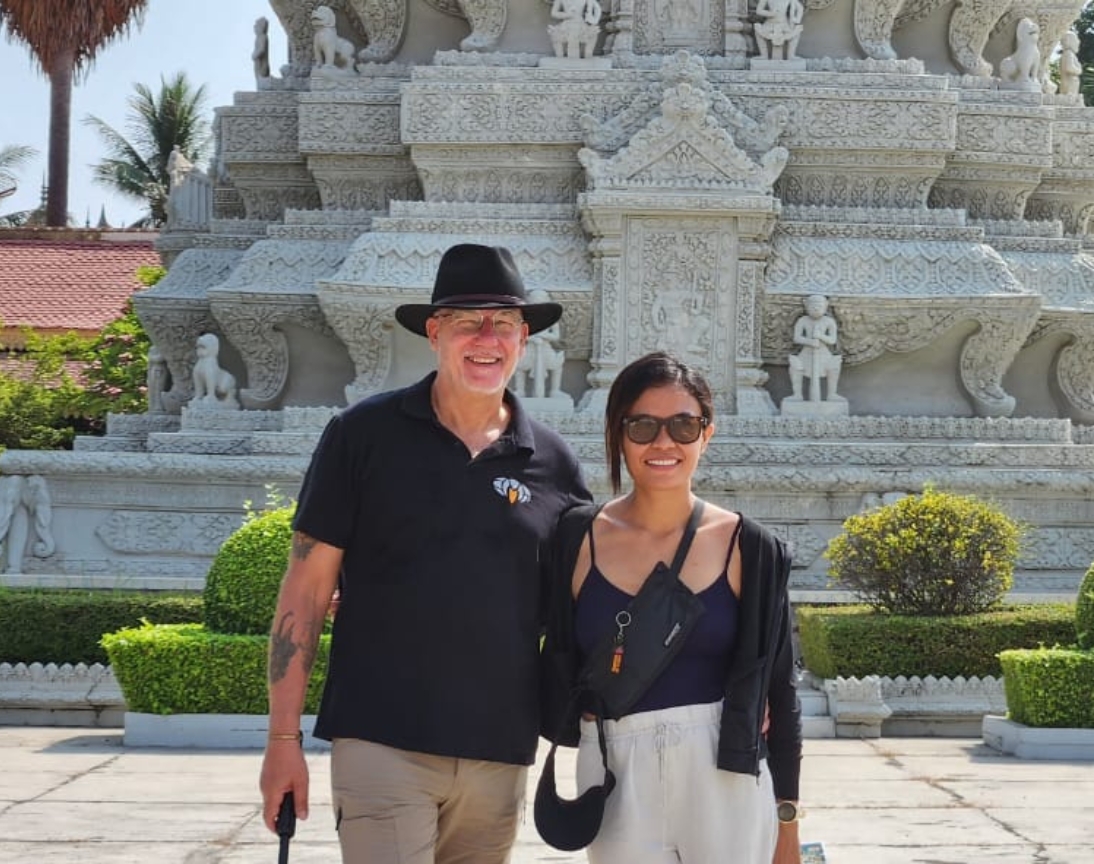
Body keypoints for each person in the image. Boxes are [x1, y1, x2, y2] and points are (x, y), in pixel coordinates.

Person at [258, 243, 592, 862]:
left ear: (524, 339)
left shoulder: (553, 462)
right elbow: (305, 591)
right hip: (383, 739)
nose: (487, 337)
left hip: (498, 750)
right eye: (468, 321)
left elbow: (588, 599)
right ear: (435, 332)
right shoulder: (361, 436)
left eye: (505, 323)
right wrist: (283, 740)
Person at [540, 351, 802, 864]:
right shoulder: (575, 538)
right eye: (642, 425)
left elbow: (781, 691)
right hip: (614, 764)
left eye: (683, 425)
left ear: (708, 433)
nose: (663, 443)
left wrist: (787, 818)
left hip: (723, 768)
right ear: (618, 433)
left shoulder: (750, 547)